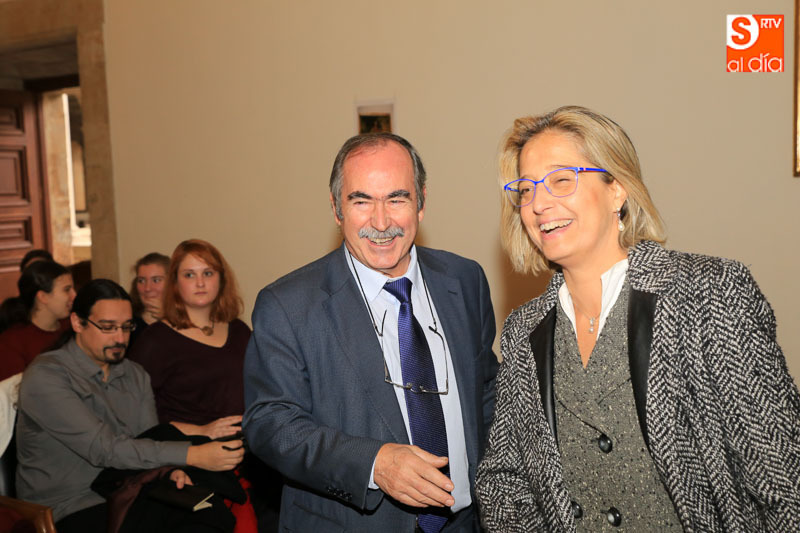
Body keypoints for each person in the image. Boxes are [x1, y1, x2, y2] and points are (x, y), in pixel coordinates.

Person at [475, 106, 800, 531]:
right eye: (526, 189)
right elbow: (503, 481)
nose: (539, 204)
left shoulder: (708, 294)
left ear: (618, 189)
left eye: (561, 180)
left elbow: (782, 479)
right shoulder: (523, 332)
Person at [243, 132, 499, 532]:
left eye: (397, 199)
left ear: (421, 202)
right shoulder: (288, 306)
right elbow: (270, 423)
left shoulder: (465, 280)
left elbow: (486, 393)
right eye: (361, 201)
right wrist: (374, 464)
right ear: (336, 209)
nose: (381, 223)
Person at [15, 279, 244, 532]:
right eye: (108, 327)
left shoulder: (134, 374)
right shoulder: (47, 375)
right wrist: (194, 455)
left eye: (126, 327)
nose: (120, 338)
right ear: (78, 323)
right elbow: (104, 449)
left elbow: (149, 439)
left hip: (129, 491)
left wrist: (169, 471)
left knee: (209, 512)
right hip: (71, 506)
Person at [127, 240, 260, 532]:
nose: (200, 283)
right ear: (175, 283)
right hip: (190, 462)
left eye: (208, 273)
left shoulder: (239, 330)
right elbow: (135, 419)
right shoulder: (155, 340)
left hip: (249, 456)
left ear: (221, 279)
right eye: (189, 275)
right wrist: (200, 431)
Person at [0, 261, 75, 380]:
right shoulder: (12, 343)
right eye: (67, 290)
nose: (74, 295)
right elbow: (15, 389)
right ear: (43, 297)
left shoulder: (73, 327)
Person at [128, 252, 170, 344]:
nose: (147, 288)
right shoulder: (127, 323)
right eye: (141, 281)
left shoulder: (186, 322)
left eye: (156, 280)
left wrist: (169, 320)